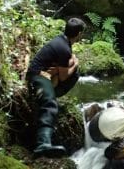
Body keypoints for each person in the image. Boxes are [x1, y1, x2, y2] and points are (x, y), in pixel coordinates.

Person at [26, 17, 86, 157]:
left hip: (45, 76)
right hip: (38, 76)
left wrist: (68, 64)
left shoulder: (62, 42)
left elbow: (68, 60)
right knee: (50, 104)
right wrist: (75, 63)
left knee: (75, 74)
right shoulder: (63, 47)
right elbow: (65, 76)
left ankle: (51, 94)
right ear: (78, 34)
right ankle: (43, 144)